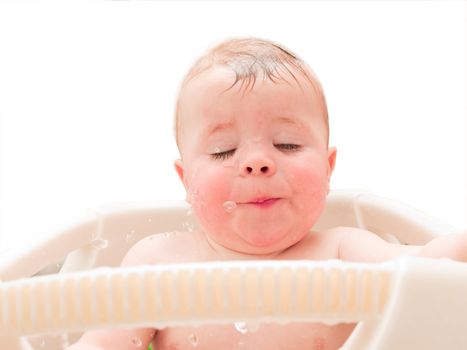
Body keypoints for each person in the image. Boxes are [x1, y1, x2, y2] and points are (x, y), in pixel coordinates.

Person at [67, 37, 467, 350]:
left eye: (288, 144)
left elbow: (427, 267)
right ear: (186, 179)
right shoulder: (155, 263)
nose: (257, 163)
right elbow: (102, 344)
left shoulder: (344, 251)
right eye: (224, 149)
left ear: (328, 170)